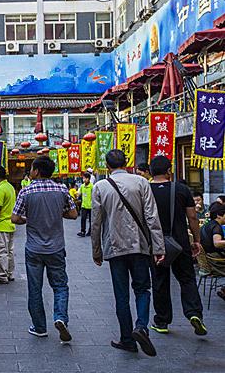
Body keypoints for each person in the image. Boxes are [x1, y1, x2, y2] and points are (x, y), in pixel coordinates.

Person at [91, 149, 165, 357]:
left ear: (107, 165)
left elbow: (96, 223)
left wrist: (96, 250)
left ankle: (127, 339)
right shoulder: (141, 182)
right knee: (142, 289)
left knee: (121, 295)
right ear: (127, 162)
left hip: (115, 248)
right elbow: (152, 217)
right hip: (140, 246)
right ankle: (141, 326)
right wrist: (158, 247)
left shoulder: (100, 186)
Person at [11, 156, 78, 342]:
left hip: (34, 249)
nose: (30, 172)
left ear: (37, 171)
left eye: (32, 168)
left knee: (35, 288)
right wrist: (57, 214)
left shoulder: (26, 191)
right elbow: (73, 214)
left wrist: (29, 218)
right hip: (56, 247)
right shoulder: (62, 189)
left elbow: (15, 219)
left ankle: (40, 327)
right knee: (60, 286)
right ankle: (60, 317)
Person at [148, 156, 206, 336]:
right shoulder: (181, 189)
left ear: (151, 172)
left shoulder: (146, 190)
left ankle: (162, 321)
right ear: (168, 171)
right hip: (180, 243)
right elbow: (193, 217)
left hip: (156, 243)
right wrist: (196, 240)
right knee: (187, 279)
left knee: (160, 281)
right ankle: (194, 313)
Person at [200, 202, 225, 300]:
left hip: (210, 260)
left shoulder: (207, 225)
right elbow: (217, 243)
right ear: (219, 215)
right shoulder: (216, 227)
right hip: (216, 263)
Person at [77, 172, 93, 237]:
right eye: (83, 178)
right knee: (83, 219)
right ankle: (82, 231)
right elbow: (79, 193)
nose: (84, 180)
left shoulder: (92, 186)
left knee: (91, 220)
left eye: (85, 178)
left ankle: (90, 231)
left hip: (91, 206)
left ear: (88, 179)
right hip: (84, 205)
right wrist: (77, 195)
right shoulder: (82, 186)